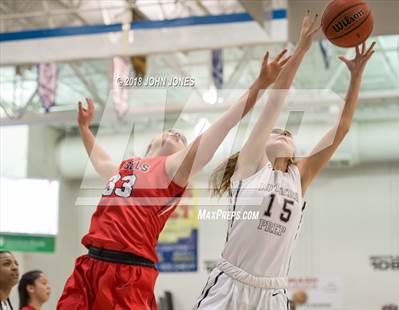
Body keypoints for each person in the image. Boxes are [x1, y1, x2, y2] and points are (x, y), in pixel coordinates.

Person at [57, 46, 291, 310]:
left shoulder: (173, 169)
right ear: (148, 145)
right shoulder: (125, 167)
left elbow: (225, 123)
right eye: (170, 130)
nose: (177, 132)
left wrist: (260, 84)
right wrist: (85, 129)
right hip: (89, 265)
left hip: (128, 272)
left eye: (184, 138)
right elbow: (99, 159)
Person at [195, 12, 375, 310]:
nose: (281, 131)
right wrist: (302, 46)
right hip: (229, 285)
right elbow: (276, 102)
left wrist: (356, 77)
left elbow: (341, 128)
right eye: (275, 130)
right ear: (259, 144)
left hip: (273, 293)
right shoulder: (250, 167)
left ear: (293, 152)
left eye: (287, 133)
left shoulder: (300, 176)